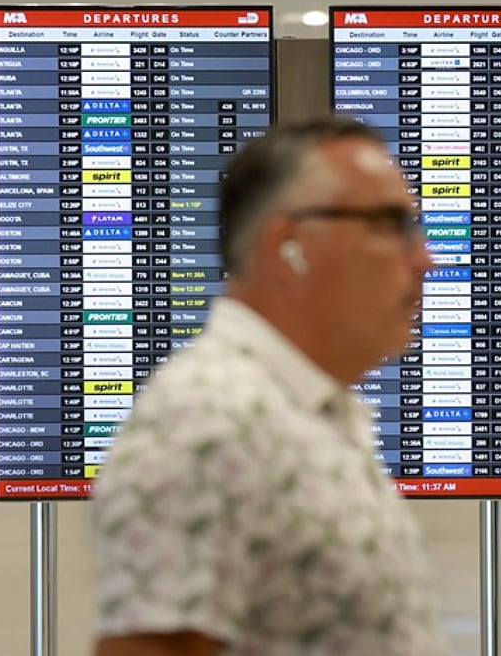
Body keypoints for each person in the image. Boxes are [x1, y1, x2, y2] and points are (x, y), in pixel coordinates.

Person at [92, 117, 446, 656]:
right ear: (289, 246)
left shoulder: (305, 413)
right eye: (389, 225)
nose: (424, 259)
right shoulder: (208, 416)